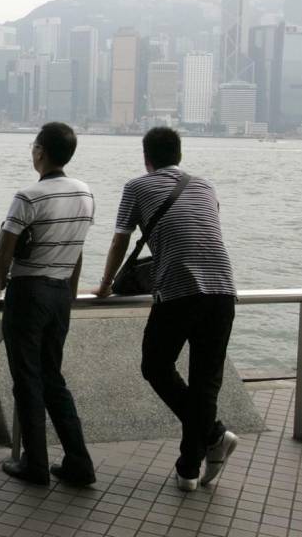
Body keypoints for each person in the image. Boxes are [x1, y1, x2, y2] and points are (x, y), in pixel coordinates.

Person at [94, 126, 238, 491]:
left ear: (146, 158)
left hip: (179, 291)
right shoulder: (204, 185)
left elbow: (119, 241)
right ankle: (189, 470)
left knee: (155, 366)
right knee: (206, 383)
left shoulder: (137, 187)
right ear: (179, 155)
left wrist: (106, 285)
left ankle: (215, 435)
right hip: (223, 289)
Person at [0, 122, 97, 487]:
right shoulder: (85, 193)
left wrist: (0, 282)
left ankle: (35, 464)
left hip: (28, 292)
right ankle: (79, 463)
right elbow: (78, 248)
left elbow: (5, 248)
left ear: (40, 151)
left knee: (27, 379)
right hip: (60, 293)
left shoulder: (28, 196)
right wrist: (71, 288)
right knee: (53, 378)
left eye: (34, 146)